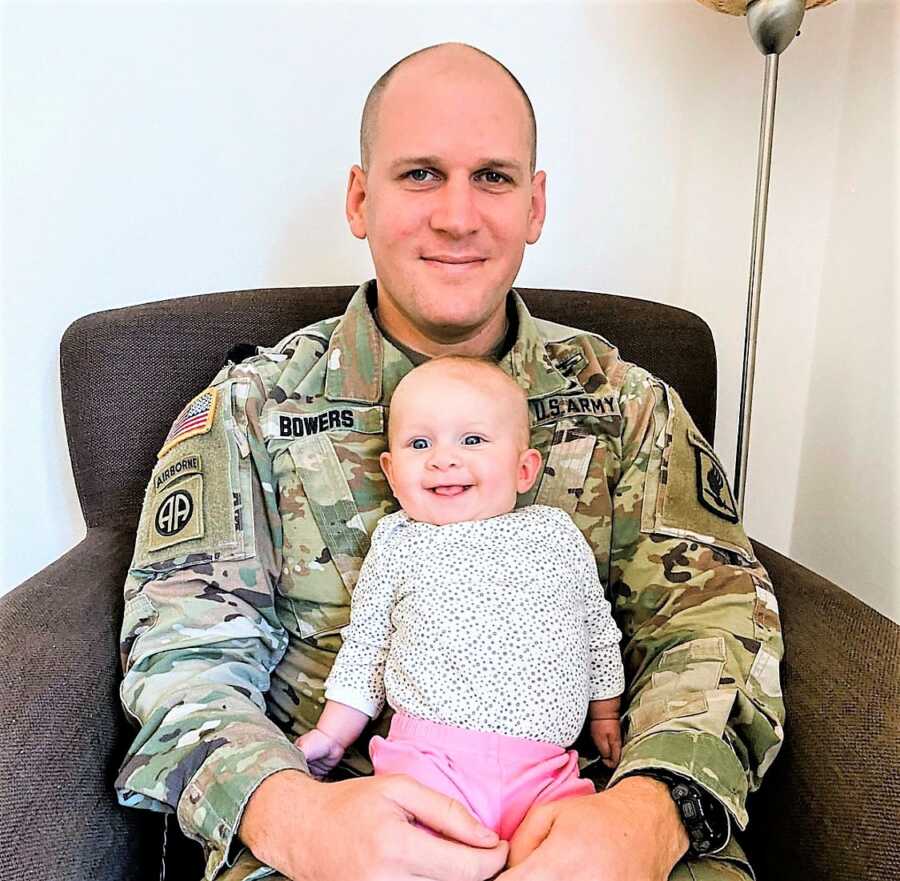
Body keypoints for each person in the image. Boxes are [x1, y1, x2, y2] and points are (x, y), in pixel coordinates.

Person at [117, 42, 785, 881]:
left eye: (495, 178)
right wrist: (296, 817)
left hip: (584, 821)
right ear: (360, 198)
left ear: (535, 205)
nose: (459, 216)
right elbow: (183, 662)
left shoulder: (626, 404)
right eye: (422, 174)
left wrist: (649, 815)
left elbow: (712, 622)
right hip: (328, 833)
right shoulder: (251, 411)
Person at [296, 356, 626, 840]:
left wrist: (605, 710)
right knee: (410, 848)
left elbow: (596, 626)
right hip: (428, 761)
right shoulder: (398, 541)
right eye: (419, 443)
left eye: (471, 440)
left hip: (547, 769)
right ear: (391, 471)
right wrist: (331, 735)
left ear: (524, 468)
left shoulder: (555, 532)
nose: (443, 458)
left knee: (572, 847)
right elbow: (367, 644)